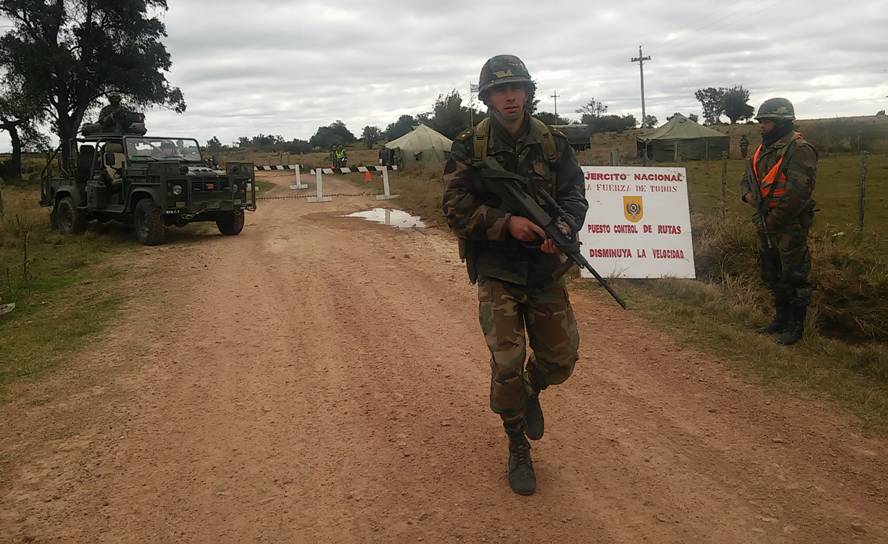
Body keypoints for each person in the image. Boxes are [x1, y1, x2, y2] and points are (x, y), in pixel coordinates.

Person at [442, 54, 587, 496]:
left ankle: (532, 390)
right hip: (497, 269)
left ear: (527, 92)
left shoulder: (553, 143)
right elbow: (454, 207)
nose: (509, 97)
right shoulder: (470, 146)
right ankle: (516, 444)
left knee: (560, 361)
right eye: (500, 90)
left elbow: (574, 197)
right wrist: (507, 224)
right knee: (506, 364)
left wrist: (561, 229)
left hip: (545, 269)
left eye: (517, 88)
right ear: (487, 96)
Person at [740, 97, 818, 345]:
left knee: (794, 275)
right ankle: (780, 320)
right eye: (761, 122)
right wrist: (747, 196)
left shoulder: (800, 149)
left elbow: (797, 193)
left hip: (788, 224)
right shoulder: (763, 149)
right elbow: (747, 178)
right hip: (765, 220)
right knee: (771, 273)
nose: (761, 126)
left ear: (783, 122)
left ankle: (796, 327)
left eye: (767, 122)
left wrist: (773, 221)